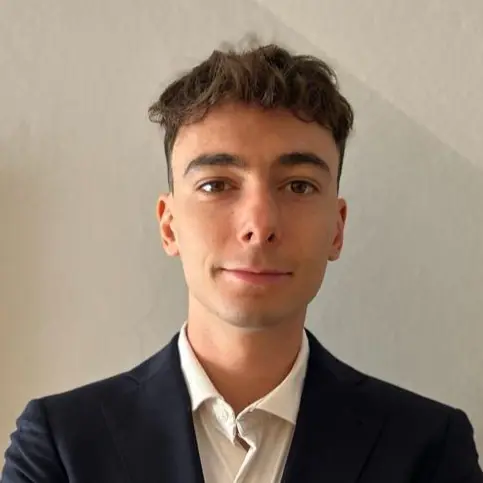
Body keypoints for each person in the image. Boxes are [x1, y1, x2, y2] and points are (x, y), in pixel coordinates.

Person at [2, 42, 482, 483]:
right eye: (216, 184)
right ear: (169, 226)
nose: (259, 224)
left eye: (298, 186)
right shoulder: (62, 446)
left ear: (337, 229)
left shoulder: (428, 449)